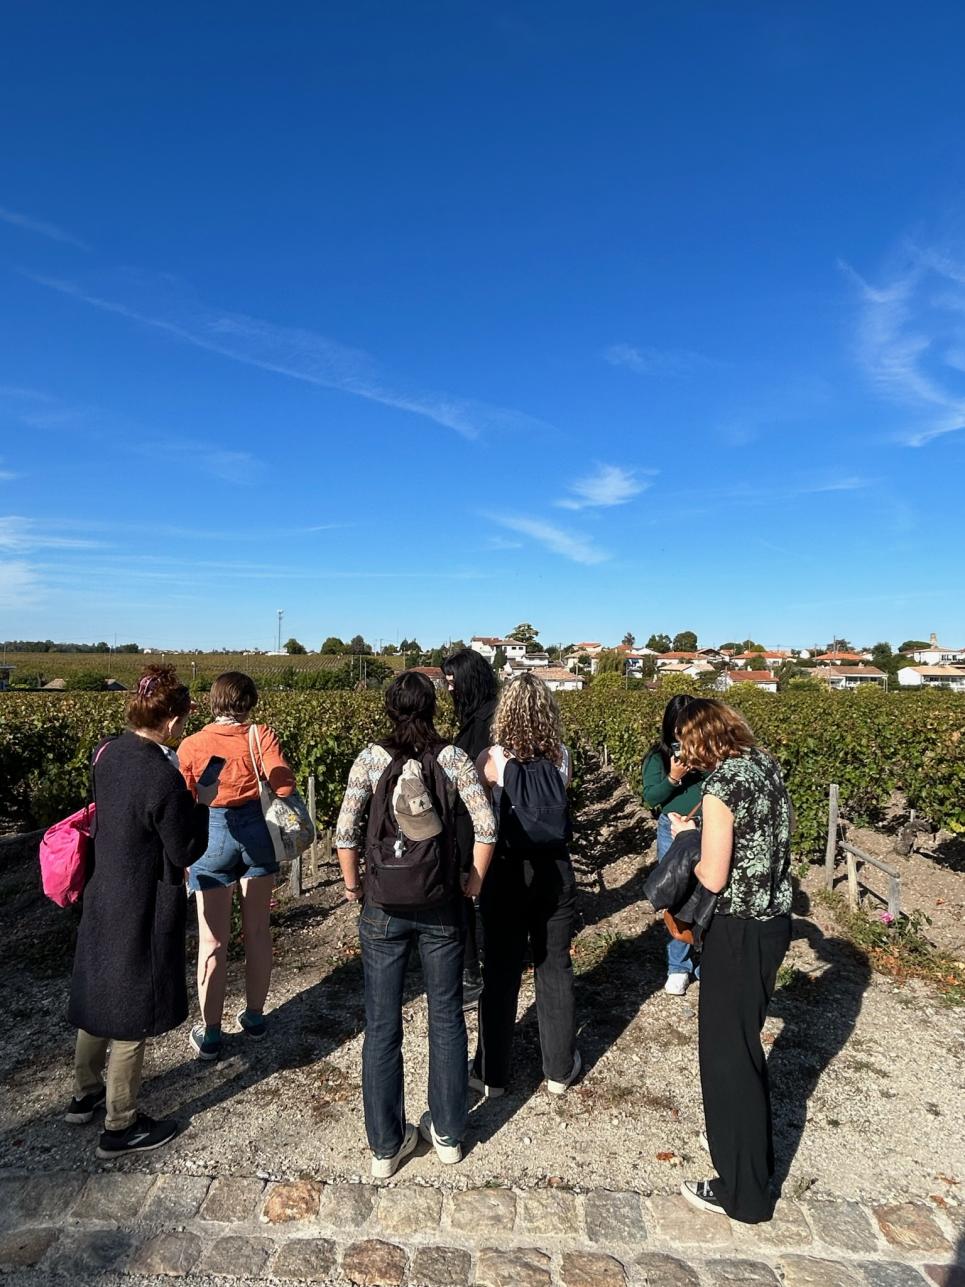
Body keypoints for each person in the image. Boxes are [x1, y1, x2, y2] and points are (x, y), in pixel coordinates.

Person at [335, 671, 496, 1178]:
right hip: (442, 905)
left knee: (382, 1025)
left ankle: (386, 1146)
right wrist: (473, 882)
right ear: (432, 708)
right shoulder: (451, 758)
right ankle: (448, 1135)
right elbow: (487, 825)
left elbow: (345, 832)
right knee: (446, 1018)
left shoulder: (370, 758)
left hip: (382, 907)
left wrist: (354, 888)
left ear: (389, 708)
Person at [66, 665, 211, 1158]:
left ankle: (84, 1094)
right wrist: (203, 803)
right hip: (141, 900)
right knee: (130, 1010)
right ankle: (120, 1123)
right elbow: (184, 848)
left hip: (103, 889)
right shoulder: (161, 777)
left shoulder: (105, 754)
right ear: (170, 722)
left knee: (98, 993)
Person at [669, 698, 793, 1223]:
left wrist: (685, 839)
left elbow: (714, 875)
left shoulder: (722, 785)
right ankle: (749, 1159)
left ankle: (742, 1192)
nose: (682, 752)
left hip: (738, 930)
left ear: (701, 738)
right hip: (774, 925)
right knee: (745, 1047)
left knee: (727, 1058)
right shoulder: (765, 764)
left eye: (685, 742)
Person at [470, 672, 579, 1099]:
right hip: (554, 872)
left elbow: (480, 814)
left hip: (506, 872)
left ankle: (492, 1075)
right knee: (555, 968)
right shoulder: (562, 757)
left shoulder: (491, 759)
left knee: (500, 971)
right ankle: (558, 1070)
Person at [178, 672, 296, 1060]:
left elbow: (183, 800)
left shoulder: (192, 744)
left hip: (209, 839)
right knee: (258, 930)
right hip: (257, 837)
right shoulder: (260, 735)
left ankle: (211, 1033)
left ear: (214, 702)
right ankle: (255, 1017)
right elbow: (284, 788)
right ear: (250, 701)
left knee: (212, 939)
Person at [442, 647, 499, 1007]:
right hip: (474, 820)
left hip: (479, 822)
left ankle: (471, 975)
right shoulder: (478, 716)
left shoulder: (487, 723)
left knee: (464, 891)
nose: (449, 689)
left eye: (452, 681)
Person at [641, 694, 707, 994]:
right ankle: (678, 965)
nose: (682, 737)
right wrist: (674, 777)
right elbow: (651, 797)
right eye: (677, 730)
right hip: (674, 829)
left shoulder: (712, 755)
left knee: (711, 894)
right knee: (677, 895)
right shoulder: (658, 756)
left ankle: (706, 961)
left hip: (709, 828)